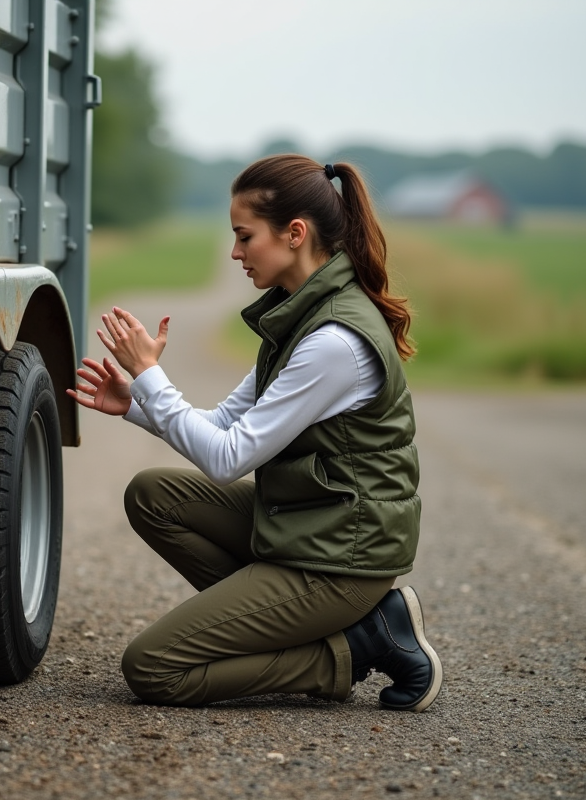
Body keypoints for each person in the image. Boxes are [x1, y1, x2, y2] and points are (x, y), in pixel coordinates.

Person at [66, 155, 442, 712]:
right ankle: (322, 628)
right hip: (305, 529)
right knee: (154, 495)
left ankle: (352, 647)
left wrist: (151, 376)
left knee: (153, 668)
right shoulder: (300, 315)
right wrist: (135, 405)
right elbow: (223, 426)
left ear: (295, 234)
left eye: (245, 237)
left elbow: (227, 458)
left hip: (339, 562)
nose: (235, 253)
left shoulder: (333, 342)